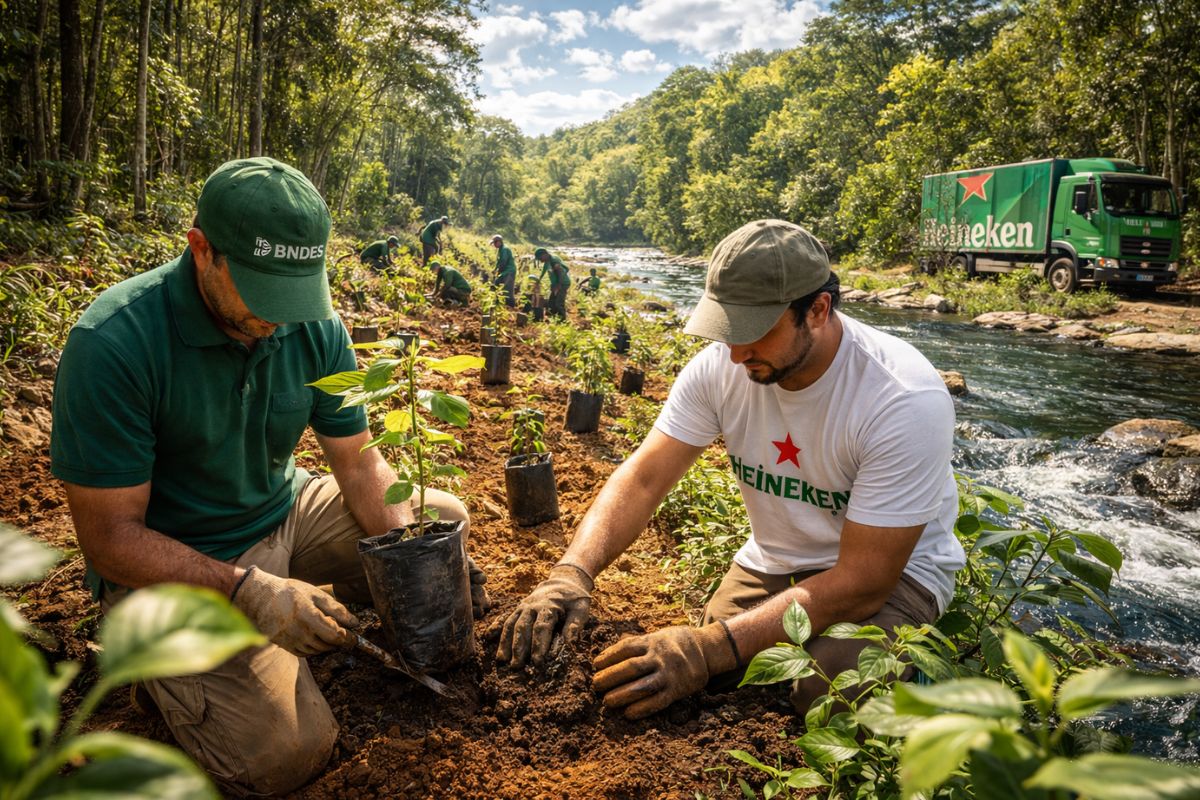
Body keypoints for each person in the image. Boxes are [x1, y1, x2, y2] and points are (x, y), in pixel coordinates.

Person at [49, 157, 489, 797]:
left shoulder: (313, 323)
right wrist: (248, 590)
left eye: (295, 293)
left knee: (437, 523)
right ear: (202, 250)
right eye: (263, 293)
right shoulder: (115, 343)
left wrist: (410, 564)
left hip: (284, 509)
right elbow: (109, 537)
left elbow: (361, 462)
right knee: (286, 756)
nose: (280, 319)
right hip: (176, 563)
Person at [497, 219, 964, 721]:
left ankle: (924, 683)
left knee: (828, 693)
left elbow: (863, 580)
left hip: (893, 576)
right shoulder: (722, 367)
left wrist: (709, 647)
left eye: (754, 331)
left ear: (818, 310)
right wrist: (572, 572)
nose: (737, 353)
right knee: (711, 687)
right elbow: (645, 477)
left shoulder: (901, 397)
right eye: (727, 329)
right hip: (775, 560)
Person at [534, 247, 571, 319]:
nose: (540, 260)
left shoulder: (554, 261)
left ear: (545, 254)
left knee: (559, 303)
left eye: (540, 258)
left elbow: (560, 272)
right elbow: (544, 271)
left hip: (562, 284)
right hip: (556, 284)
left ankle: (563, 319)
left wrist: (558, 285)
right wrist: (538, 281)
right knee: (551, 302)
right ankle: (553, 317)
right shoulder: (547, 261)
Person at [491, 234, 517, 307]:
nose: (494, 245)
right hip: (504, 272)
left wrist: (499, 271)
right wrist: (495, 269)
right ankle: (496, 301)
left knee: (508, 289)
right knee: (496, 283)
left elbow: (503, 262)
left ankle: (511, 306)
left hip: (509, 271)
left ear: (499, 242)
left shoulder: (505, 249)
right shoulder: (500, 250)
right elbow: (499, 262)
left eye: (495, 243)